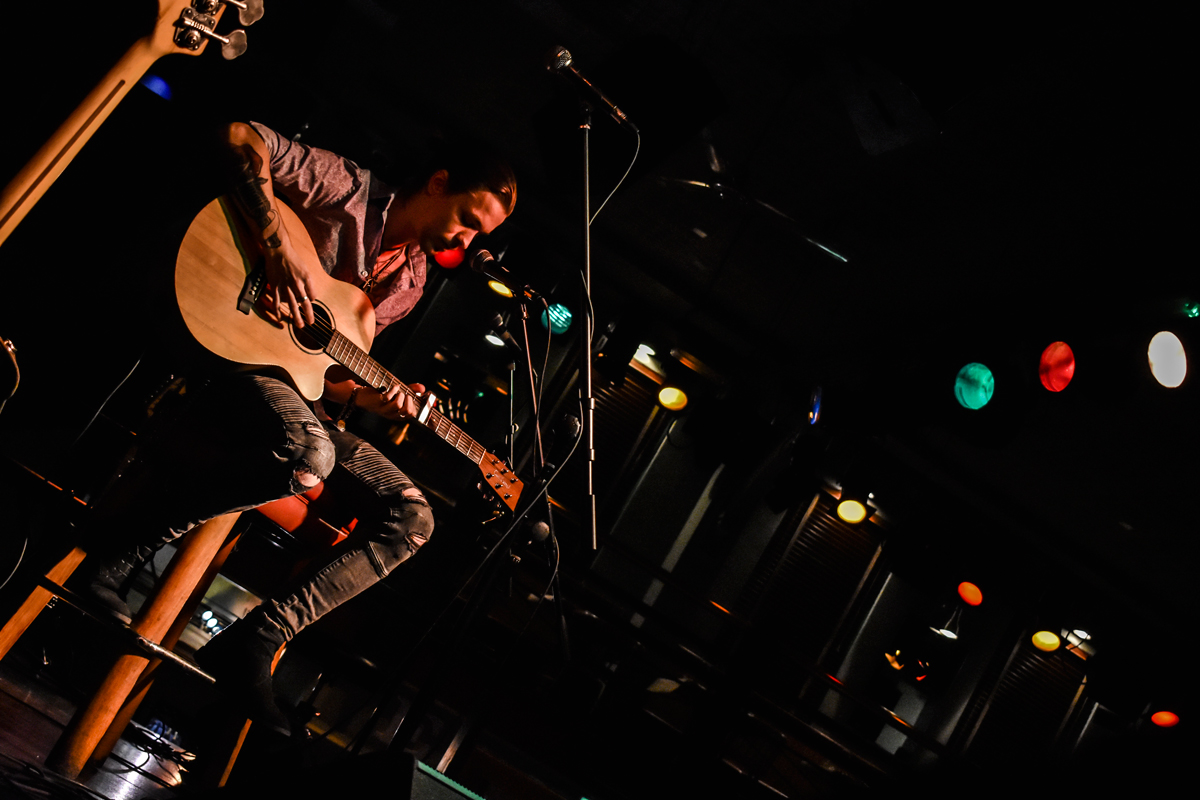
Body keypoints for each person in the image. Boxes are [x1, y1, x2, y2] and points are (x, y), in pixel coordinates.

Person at [77, 120, 516, 730]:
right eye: (467, 219)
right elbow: (240, 136)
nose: (466, 241)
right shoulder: (348, 189)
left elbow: (322, 373)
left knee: (414, 518)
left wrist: (373, 401)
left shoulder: (409, 283)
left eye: (478, 235)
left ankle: (257, 639)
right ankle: (118, 552)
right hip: (227, 353)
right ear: (438, 183)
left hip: (293, 394)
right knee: (309, 453)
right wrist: (278, 251)